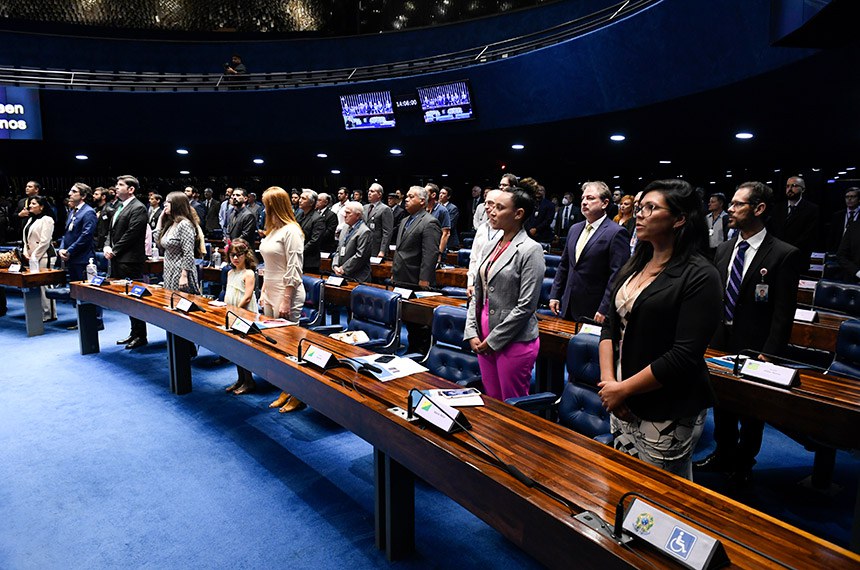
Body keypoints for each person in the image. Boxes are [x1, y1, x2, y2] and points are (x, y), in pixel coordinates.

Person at [597, 179, 722, 479]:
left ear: (679, 219)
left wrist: (622, 389)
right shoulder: (636, 262)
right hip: (620, 396)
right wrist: (609, 385)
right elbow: (609, 328)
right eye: (640, 207)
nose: (640, 214)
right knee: (623, 480)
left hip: (666, 404)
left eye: (651, 208)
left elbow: (684, 355)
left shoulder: (701, 274)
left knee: (659, 493)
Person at [694, 181, 801, 484]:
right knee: (722, 401)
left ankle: (744, 463)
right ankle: (724, 452)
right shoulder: (726, 248)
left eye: (739, 204)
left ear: (759, 209)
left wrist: (771, 353)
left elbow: (783, 312)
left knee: (752, 411)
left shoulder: (783, 254)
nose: (731, 208)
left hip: (757, 347)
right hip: (721, 341)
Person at [464, 186, 545, 401]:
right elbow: (478, 291)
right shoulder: (491, 244)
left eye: (500, 208)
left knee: (511, 405)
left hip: (513, 338)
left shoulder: (530, 249)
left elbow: (526, 305)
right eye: (492, 206)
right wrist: (471, 330)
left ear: (518, 214)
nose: (491, 211)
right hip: (483, 332)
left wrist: (494, 340)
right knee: (491, 399)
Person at [549, 181, 630, 323]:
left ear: (605, 203)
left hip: (594, 309)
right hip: (567, 305)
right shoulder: (574, 229)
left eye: (590, 198)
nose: (584, 202)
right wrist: (555, 295)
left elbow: (617, 276)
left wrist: (604, 308)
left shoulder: (616, 232)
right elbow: (564, 265)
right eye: (583, 198)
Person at [259, 186, 306, 414]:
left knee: (290, 347)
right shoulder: (272, 230)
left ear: (275, 205)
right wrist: (263, 292)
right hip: (270, 289)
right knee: (276, 347)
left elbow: (294, 268)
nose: (263, 208)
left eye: (266, 203)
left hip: (287, 291)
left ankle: (297, 393)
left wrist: (286, 299)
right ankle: (285, 389)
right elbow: (268, 267)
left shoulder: (292, 231)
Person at [392, 186, 442, 354]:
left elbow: (431, 253)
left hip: (417, 279)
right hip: (402, 276)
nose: (406, 199)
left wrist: (425, 279)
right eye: (406, 196)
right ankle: (413, 348)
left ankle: (421, 352)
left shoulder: (430, 222)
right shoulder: (405, 220)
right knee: (407, 317)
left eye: (411, 196)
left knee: (420, 322)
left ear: (422, 201)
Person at [105, 175, 149, 350]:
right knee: (127, 299)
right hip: (118, 257)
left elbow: (132, 233)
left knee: (135, 298)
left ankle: (141, 335)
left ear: (131, 189)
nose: (116, 187)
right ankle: (134, 332)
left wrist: (114, 250)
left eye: (120, 185)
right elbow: (111, 230)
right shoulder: (119, 206)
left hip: (130, 260)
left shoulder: (138, 207)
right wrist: (107, 245)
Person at [223, 238, 259, 396]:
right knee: (234, 348)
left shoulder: (249, 273)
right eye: (232, 255)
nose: (235, 258)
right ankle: (240, 379)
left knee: (243, 348)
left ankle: (249, 380)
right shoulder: (230, 272)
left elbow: (248, 297)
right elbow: (228, 292)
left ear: (246, 255)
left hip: (244, 314)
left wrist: (236, 310)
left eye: (239, 255)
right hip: (232, 313)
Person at [155, 191, 201, 294]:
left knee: (179, 303)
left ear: (177, 204)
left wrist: (184, 275)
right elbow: (158, 241)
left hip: (180, 270)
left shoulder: (184, 224)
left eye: (168, 202)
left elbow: (188, 253)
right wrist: (160, 219)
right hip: (168, 269)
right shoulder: (171, 223)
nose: (164, 204)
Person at [768, 176, 819, 267]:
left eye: (794, 186)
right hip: (776, 256)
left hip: (798, 256)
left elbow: (808, 235)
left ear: (803, 189)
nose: (789, 189)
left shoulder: (812, 209)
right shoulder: (777, 208)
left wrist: (787, 250)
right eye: (787, 186)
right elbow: (772, 231)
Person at [22, 195, 57, 322]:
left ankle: (50, 313)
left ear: (41, 207)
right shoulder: (30, 219)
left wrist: (34, 256)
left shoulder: (47, 219)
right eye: (30, 203)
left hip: (45, 255)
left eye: (33, 203)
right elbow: (25, 239)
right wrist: (25, 252)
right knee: (35, 284)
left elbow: (45, 241)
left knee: (45, 285)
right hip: (32, 256)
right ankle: (40, 311)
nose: (30, 206)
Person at [467, 190, 502, 298]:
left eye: (490, 203)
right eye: (485, 203)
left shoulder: (507, 230)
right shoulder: (482, 228)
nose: (486, 207)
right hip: (477, 286)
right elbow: (474, 257)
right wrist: (470, 283)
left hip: (497, 287)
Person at [332, 201, 371, 282]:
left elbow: (360, 255)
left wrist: (344, 268)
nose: (344, 215)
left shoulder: (364, 231)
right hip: (342, 273)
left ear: (358, 215)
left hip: (358, 277)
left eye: (348, 213)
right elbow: (338, 249)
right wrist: (335, 265)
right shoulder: (345, 227)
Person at [296, 189, 325, 273]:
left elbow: (315, 241)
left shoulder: (318, 218)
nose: (300, 200)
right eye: (300, 198)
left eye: (303, 198)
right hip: (297, 258)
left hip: (309, 262)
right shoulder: (298, 215)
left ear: (311, 203)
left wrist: (300, 252)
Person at [364, 183, 394, 259]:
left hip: (376, 248)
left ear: (379, 195)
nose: (369, 193)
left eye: (372, 191)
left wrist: (382, 250)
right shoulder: (365, 208)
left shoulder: (385, 209)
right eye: (369, 191)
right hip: (364, 246)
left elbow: (387, 232)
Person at [827, 187, 860, 253]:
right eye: (847, 197)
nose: (849, 199)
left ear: (859, 199)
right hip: (839, 251)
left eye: (853, 196)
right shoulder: (837, 215)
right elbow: (832, 236)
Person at [425, 183, 451, 255]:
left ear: (433, 195)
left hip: (435, 250)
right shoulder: (422, 209)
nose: (423, 195)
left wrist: (439, 253)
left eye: (425, 192)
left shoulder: (442, 210)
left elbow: (446, 233)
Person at [706, 192, 729, 259]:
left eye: (712, 202)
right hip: (707, 250)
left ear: (721, 204)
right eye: (709, 202)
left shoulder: (726, 218)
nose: (709, 204)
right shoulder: (706, 218)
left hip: (720, 251)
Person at [439, 186, 460, 250]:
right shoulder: (437, 207)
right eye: (440, 193)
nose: (441, 195)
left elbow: (450, 225)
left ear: (448, 197)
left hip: (450, 242)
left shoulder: (453, 208)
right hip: (438, 239)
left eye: (443, 193)